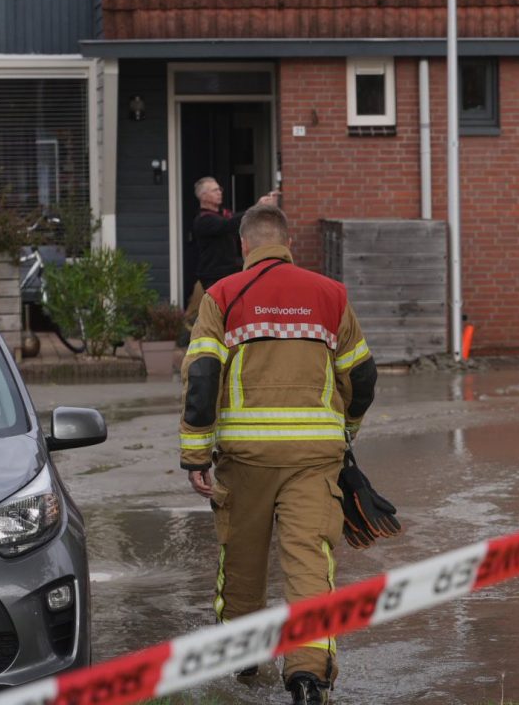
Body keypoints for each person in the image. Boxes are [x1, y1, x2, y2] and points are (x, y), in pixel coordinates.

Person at [179, 204, 378, 705]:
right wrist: (346, 430)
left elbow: (202, 378)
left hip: (245, 460)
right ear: (288, 243)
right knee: (310, 563)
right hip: (315, 460)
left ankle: (243, 661)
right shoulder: (331, 296)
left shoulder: (222, 295)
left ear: (244, 245)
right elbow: (363, 378)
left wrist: (196, 454)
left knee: (242, 563)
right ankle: (309, 676)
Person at [192, 177, 279, 290]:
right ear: (203, 196)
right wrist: (257, 208)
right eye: (214, 190)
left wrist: (263, 209)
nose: (219, 192)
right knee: (218, 307)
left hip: (230, 271)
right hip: (213, 276)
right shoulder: (203, 220)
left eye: (219, 189)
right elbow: (229, 224)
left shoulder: (224, 213)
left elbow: (238, 221)